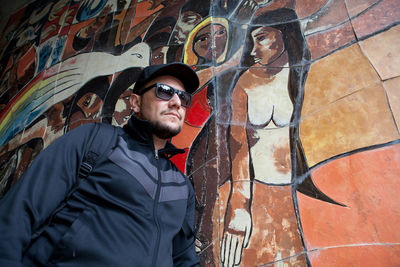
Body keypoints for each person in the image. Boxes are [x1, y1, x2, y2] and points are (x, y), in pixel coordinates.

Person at [0, 63, 200, 267]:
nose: (176, 102)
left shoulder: (182, 187)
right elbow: (20, 211)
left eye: (183, 97)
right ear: (136, 103)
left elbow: (184, 259)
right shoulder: (96, 141)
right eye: (164, 91)